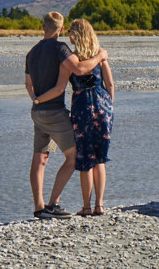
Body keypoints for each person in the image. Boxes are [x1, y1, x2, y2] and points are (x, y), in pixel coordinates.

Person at [25, 12, 107, 219]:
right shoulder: (60, 48)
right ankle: (53, 205)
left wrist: (36, 99)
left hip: (38, 115)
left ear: (42, 27)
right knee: (73, 156)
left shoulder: (31, 52)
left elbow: (28, 84)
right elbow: (79, 69)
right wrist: (99, 56)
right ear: (61, 30)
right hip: (54, 114)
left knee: (41, 157)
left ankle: (39, 206)